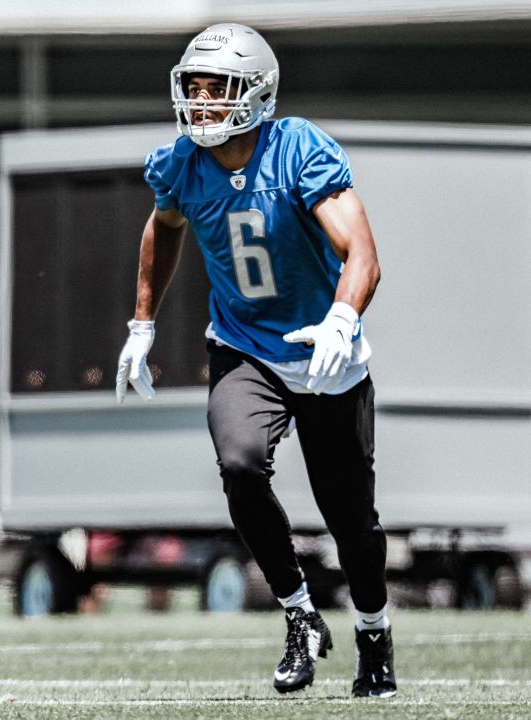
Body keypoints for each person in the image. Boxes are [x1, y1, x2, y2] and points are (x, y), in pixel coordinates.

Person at [114, 23, 397, 698]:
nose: (205, 103)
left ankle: (374, 633)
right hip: (245, 347)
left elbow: (364, 254)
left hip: (322, 350)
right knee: (239, 462)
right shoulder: (180, 164)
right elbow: (164, 227)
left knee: (351, 520)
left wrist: (342, 318)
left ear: (258, 94)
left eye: (220, 88)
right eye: (197, 88)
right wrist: (142, 323)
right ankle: (299, 613)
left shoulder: (297, 150)